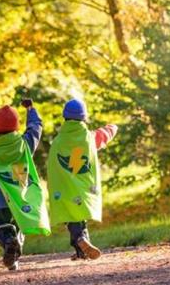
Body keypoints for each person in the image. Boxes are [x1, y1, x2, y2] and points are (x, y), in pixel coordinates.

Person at [0, 99, 50, 270]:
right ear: (16, 126)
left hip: (0, 202)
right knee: (18, 226)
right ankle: (13, 255)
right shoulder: (24, 144)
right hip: (21, 198)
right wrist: (30, 109)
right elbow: (36, 127)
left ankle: (9, 245)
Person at [47, 99, 118, 260]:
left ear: (64, 117)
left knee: (72, 218)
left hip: (64, 186)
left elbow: (54, 164)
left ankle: (81, 244)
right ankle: (82, 245)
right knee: (79, 217)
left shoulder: (58, 141)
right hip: (82, 187)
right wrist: (113, 127)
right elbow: (103, 135)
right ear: (84, 118)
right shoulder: (89, 138)